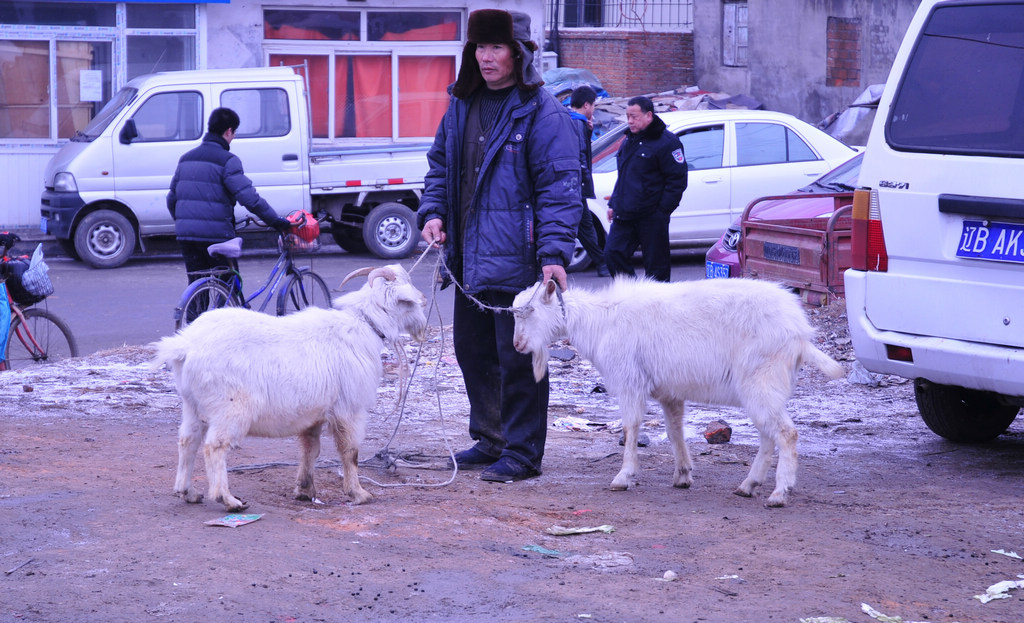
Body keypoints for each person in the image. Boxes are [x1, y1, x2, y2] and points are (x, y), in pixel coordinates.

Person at [417, 8, 582, 483]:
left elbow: (560, 188)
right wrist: (433, 213)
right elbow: (439, 168)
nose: (486, 57)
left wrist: (553, 255)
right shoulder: (462, 104)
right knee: (473, 352)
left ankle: (523, 452)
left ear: (520, 53)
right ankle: (491, 440)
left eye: (496, 48)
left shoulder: (542, 112)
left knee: (519, 357)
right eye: (480, 48)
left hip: (518, 260)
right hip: (468, 260)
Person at [167, 107, 290, 283]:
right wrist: (275, 221)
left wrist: (184, 222)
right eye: (234, 133)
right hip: (216, 236)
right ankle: (232, 308)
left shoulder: (186, 158)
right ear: (229, 131)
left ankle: (195, 311)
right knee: (228, 282)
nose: (233, 138)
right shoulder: (228, 160)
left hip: (186, 236)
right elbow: (250, 199)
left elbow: (171, 198)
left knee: (196, 285)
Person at [603, 96, 688, 282]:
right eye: (627, 116)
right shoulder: (629, 140)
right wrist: (614, 203)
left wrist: (662, 211)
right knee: (612, 254)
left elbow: (677, 181)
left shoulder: (667, 142)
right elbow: (624, 176)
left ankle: (660, 307)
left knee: (657, 268)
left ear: (649, 115)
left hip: (652, 215)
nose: (630, 121)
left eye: (634, 116)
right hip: (625, 213)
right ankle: (633, 296)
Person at [568, 85, 610, 277]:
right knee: (585, 227)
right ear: (586, 105)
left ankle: (602, 264)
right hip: (576, 186)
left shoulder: (570, 121)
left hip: (568, 185)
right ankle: (602, 265)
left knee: (582, 227)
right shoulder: (577, 124)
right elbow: (580, 156)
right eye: (593, 105)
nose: (593, 109)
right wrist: (584, 184)